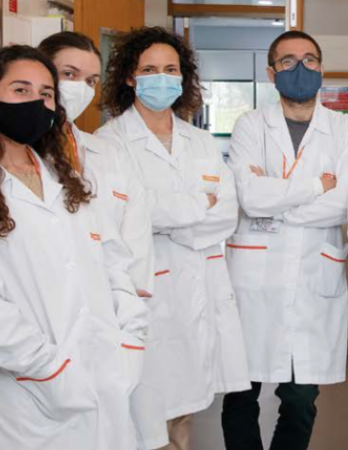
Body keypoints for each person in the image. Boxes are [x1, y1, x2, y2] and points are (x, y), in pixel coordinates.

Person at [0, 45, 147, 449]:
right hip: (38, 391)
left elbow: (114, 265)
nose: (37, 102)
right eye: (21, 90)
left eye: (46, 94)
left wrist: (131, 340)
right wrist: (52, 371)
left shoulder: (68, 181)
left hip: (107, 371)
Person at [97, 26, 250, 450]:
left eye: (170, 69)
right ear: (129, 77)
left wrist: (168, 214)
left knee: (186, 409)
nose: (160, 78)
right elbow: (128, 215)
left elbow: (226, 214)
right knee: (145, 412)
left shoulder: (201, 142)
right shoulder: (108, 144)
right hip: (145, 289)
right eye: (149, 69)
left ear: (183, 78)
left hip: (198, 288)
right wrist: (194, 206)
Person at [220, 30, 348, 450]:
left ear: (321, 69)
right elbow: (249, 195)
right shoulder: (250, 124)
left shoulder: (345, 129)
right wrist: (314, 186)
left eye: (310, 60)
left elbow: (343, 204)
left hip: (312, 276)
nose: (300, 69)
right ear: (271, 73)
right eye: (288, 62)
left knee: (301, 399)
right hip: (254, 279)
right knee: (240, 393)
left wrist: (277, 196)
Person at [37, 32, 168, 449]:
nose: (80, 88)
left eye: (91, 80)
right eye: (69, 74)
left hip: (117, 327)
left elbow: (132, 243)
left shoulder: (104, 155)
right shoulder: (16, 157)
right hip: (52, 338)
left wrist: (132, 324)